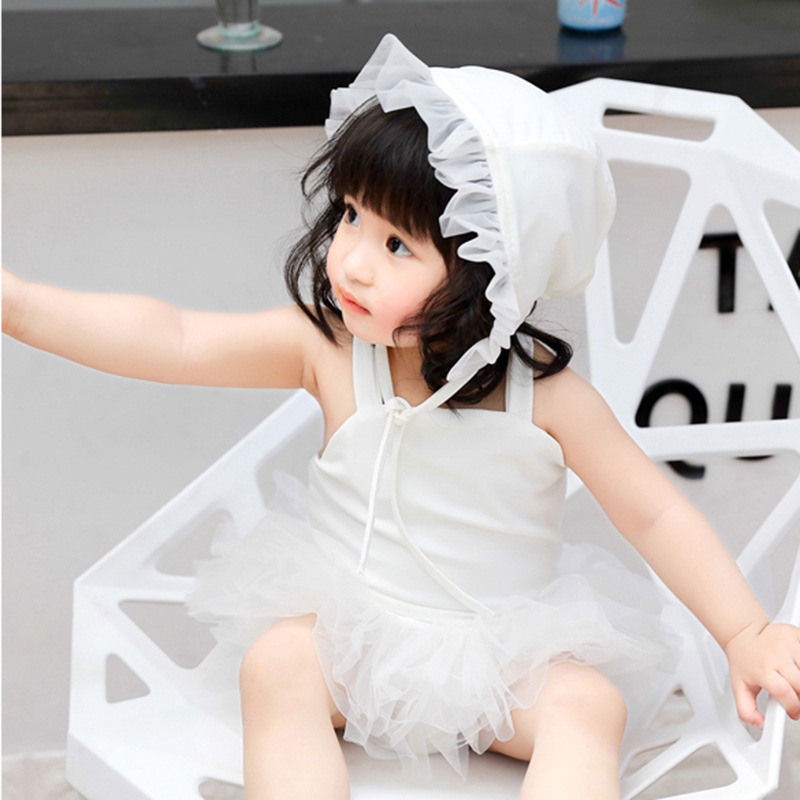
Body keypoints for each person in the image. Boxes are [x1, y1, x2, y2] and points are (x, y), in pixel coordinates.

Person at [3, 34, 800, 800]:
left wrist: (743, 631)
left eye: (397, 246)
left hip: (498, 656)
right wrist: (20, 305)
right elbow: (175, 337)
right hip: (352, 638)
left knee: (589, 707)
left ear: (492, 275)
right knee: (278, 663)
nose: (351, 261)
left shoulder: (550, 398)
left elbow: (655, 514)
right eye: (353, 216)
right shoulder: (326, 350)